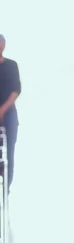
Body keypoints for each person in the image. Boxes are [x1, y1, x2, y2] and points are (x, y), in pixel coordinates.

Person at [0, 34, 20, 190]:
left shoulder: (11, 65)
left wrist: (2, 109)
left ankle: (7, 186)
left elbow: (16, 90)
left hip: (9, 114)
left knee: (9, 150)